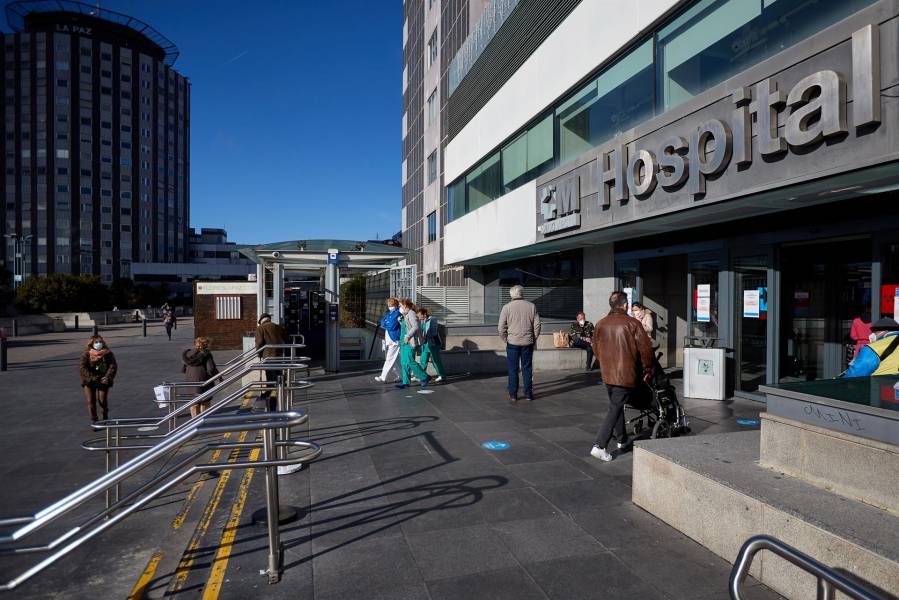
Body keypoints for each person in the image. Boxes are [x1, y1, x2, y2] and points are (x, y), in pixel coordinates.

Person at [590, 290, 654, 462]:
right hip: (625, 374)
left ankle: (622, 440)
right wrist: (648, 368)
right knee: (615, 408)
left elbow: (595, 348)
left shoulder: (601, 323)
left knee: (616, 405)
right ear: (625, 305)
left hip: (607, 373)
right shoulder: (633, 323)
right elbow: (645, 349)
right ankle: (599, 445)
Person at [498, 285, 541, 403]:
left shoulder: (506, 307)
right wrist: (533, 338)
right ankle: (528, 394)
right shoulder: (531, 306)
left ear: (511, 294)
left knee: (513, 369)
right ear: (522, 293)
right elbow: (537, 325)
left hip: (512, 342)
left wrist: (505, 339)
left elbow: (501, 327)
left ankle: (513, 395)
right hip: (527, 342)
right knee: (527, 368)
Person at [79, 335, 118, 425]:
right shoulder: (86, 354)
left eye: (100, 342)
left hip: (103, 380)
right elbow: (82, 368)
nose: (98, 344)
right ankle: (94, 420)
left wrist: (108, 377)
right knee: (91, 402)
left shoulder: (108, 354)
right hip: (89, 381)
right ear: (91, 344)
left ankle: (105, 416)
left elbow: (112, 366)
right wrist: (92, 377)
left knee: (103, 401)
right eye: (96, 342)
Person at [182, 337, 221, 418]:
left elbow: (184, 369)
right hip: (203, 380)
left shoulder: (188, 354)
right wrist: (219, 377)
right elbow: (211, 368)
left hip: (190, 381)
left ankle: (194, 422)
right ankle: (203, 421)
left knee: (194, 402)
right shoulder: (206, 354)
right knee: (205, 401)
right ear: (205, 345)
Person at [395, 299, 430, 389]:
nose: (400, 307)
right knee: (404, 362)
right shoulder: (405, 314)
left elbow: (415, 326)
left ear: (405, 305)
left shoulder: (411, 313)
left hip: (409, 342)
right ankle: (405, 382)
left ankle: (424, 376)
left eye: (400, 306)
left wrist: (408, 336)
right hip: (403, 342)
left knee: (410, 361)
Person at [255, 313, 287, 408]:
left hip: (268, 357)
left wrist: (259, 354)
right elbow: (286, 337)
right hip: (279, 356)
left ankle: (272, 398)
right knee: (278, 376)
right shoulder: (277, 327)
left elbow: (259, 343)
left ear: (261, 321)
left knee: (270, 378)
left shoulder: (261, 328)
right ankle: (279, 394)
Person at [375, 298, 402, 383]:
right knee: (396, 360)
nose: (389, 306)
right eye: (388, 305)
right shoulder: (389, 313)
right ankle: (401, 376)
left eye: (391, 305)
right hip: (390, 339)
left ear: (395, 305)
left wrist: (385, 324)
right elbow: (382, 321)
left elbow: (392, 326)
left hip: (395, 340)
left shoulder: (397, 313)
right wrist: (385, 323)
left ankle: (383, 377)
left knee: (389, 359)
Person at [417, 307, 445, 383]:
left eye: (420, 315)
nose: (419, 317)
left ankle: (442, 376)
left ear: (424, 314)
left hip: (434, 343)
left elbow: (434, 332)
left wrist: (426, 336)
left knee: (435, 361)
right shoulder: (422, 321)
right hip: (425, 344)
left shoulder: (432, 319)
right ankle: (421, 376)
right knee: (423, 360)